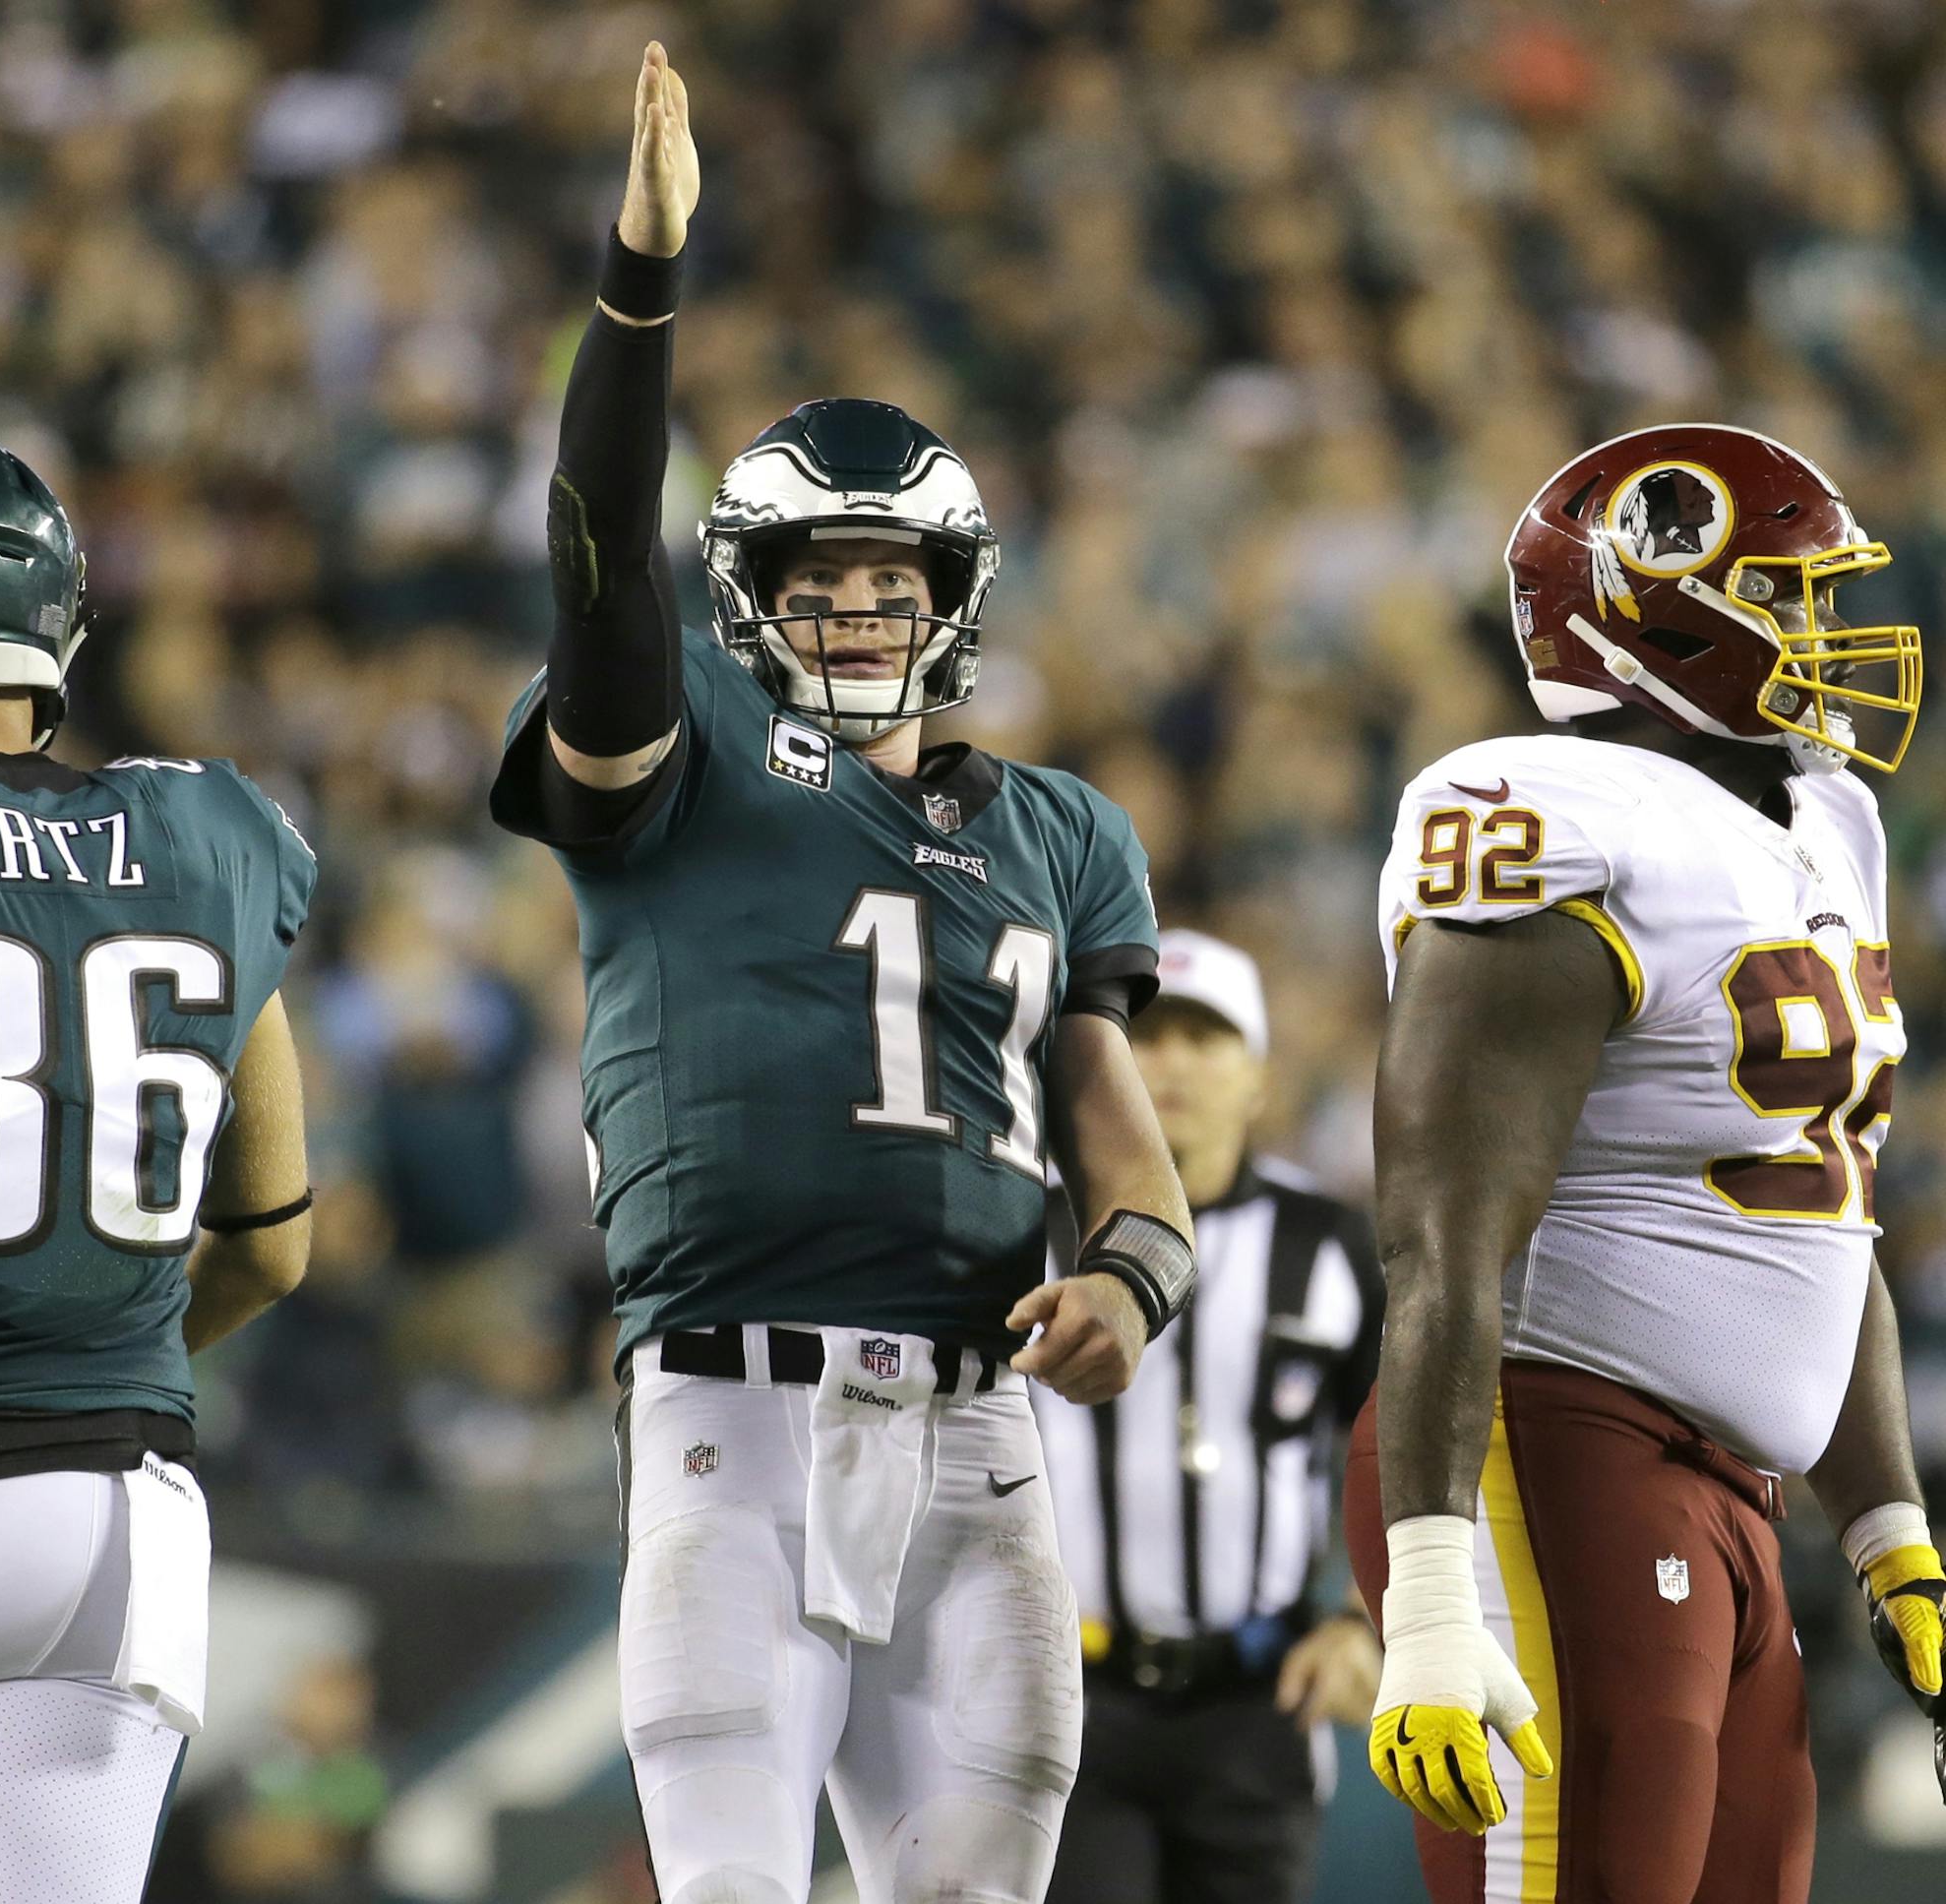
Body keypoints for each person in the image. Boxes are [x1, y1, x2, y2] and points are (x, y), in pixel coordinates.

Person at [488, 45, 1192, 1904]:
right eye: (818, 577)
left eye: (892, 578)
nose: (860, 607)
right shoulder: (689, 749)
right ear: (748, 597)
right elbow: (589, 551)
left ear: (949, 596)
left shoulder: (1059, 828)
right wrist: (643, 275)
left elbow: (1126, 1143)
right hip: (728, 1415)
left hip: (980, 1434)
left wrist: (1132, 1279)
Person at [1347, 422, 1945, 1903]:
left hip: (1726, 1487)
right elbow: (1439, 1231)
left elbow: (1822, 1207)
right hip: (1547, 1446)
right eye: (1787, 594)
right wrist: (1430, 1583)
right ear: (1652, 602)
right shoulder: (1546, 809)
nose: (1822, 633)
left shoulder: (1827, 824)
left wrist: (1893, 1536)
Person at [0, 424, 318, 1903]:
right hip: (107, 1511)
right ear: (53, 622)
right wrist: (72, 1337)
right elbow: (276, 1238)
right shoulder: (211, 835)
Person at [1036, 928, 1384, 1904]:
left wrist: (1367, 1618)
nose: (1173, 1063)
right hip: (1068, 1700)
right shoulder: (1030, 1230)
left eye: (1205, 1038)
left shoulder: (1331, 1242)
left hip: (1259, 1701)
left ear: (1259, 1077)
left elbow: (1397, 1445)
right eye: (1145, 1038)